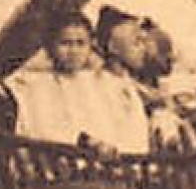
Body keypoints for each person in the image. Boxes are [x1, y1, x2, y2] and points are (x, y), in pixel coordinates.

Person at [8, 11, 151, 156]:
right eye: (65, 43)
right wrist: (87, 142)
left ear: (90, 47)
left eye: (80, 43)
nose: (74, 51)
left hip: (105, 161)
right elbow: (42, 128)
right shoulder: (38, 85)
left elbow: (114, 126)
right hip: (62, 160)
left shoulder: (100, 83)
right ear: (50, 47)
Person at [94, 5, 196, 151]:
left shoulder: (131, 82)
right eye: (136, 43)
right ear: (113, 48)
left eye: (144, 42)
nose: (144, 49)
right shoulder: (104, 84)